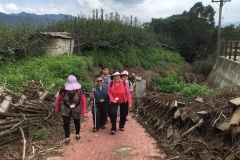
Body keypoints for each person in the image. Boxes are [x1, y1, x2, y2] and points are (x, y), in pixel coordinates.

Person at [55, 75, 86, 144]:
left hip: (76, 108)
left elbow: (83, 101)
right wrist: (57, 108)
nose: (71, 89)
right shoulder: (63, 90)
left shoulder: (79, 90)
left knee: (77, 121)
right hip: (66, 108)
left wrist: (84, 112)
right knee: (66, 122)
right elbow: (58, 99)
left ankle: (77, 133)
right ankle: (67, 137)